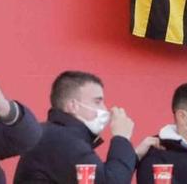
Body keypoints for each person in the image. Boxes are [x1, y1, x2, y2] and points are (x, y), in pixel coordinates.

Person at [12, 71, 145, 184]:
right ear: (73, 105)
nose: (105, 109)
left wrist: (134, 155)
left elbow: (102, 176)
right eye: (97, 102)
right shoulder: (62, 140)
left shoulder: (57, 134)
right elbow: (111, 181)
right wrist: (121, 137)